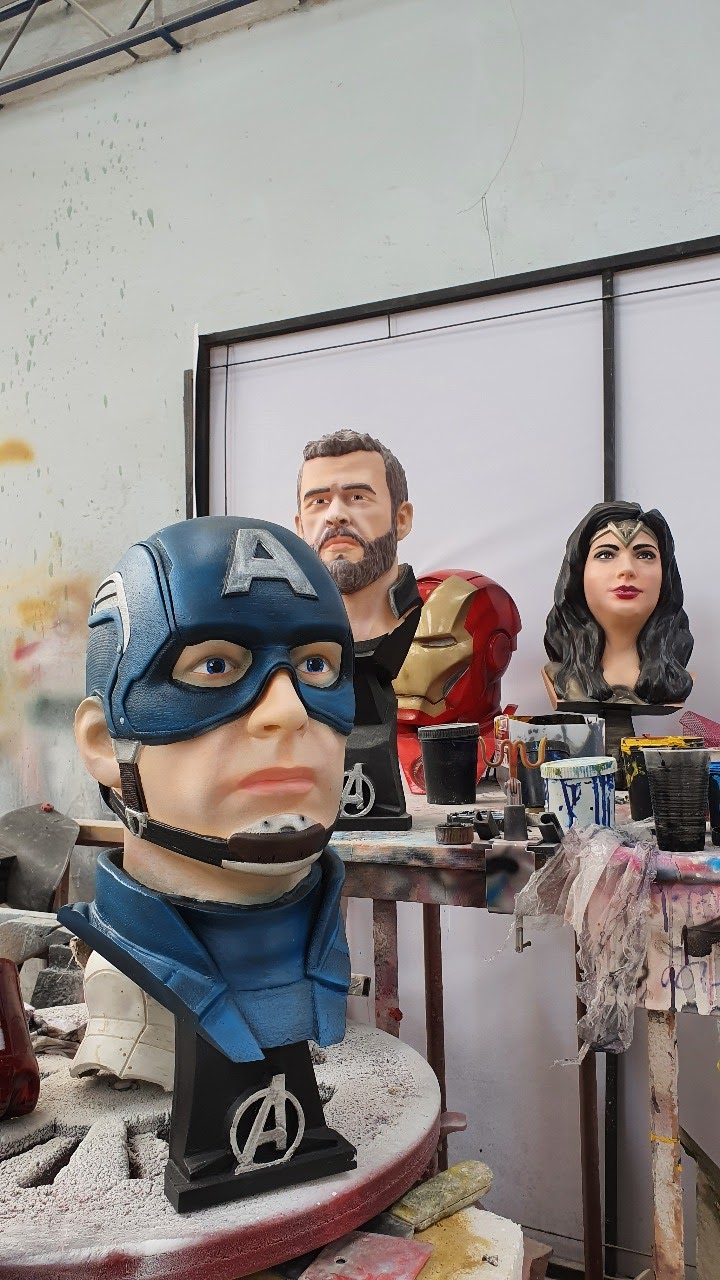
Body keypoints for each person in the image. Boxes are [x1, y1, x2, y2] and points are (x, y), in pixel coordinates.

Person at [59, 515, 357, 1210]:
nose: (287, 711)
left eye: (316, 665)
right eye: (215, 665)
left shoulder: (318, 929)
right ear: (104, 742)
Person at [295, 430, 421, 827]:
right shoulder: (289, 629)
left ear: (401, 519)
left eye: (357, 497)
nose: (335, 515)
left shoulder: (424, 616)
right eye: (319, 501)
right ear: (299, 527)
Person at [543, 501, 693, 706]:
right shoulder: (563, 677)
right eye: (606, 554)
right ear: (579, 573)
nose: (627, 569)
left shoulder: (675, 679)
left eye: (645, 555)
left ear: (665, 576)